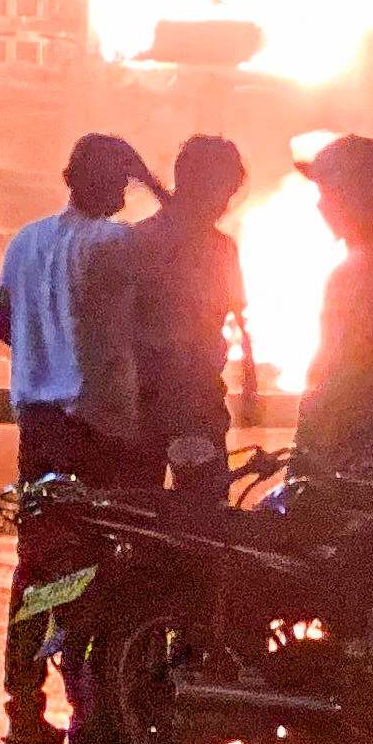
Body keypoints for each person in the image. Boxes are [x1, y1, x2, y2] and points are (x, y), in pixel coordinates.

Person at [0, 132, 163, 744]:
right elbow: (152, 322)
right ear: (109, 183)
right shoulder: (119, 245)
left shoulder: (25, 240)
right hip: (98, 432)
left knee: (37, 571)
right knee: (98, 573)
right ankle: (91, 719)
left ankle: (23, 709)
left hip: (37, 428)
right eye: (123, 182)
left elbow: (6, 327)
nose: (126, 195)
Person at [121, 134, 252, 503]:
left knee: (137, 509)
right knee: (203, 512)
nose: (225, 205)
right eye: (224, 192)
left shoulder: (139, 239)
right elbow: (230, 314)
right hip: (192, 403)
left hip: (142, 403)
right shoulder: (218, 248)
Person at [288, 134, 373, 478]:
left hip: (352, 446)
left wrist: (311, 441)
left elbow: (344, 367)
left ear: (354, 196)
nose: (320, 205)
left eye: (327, 193)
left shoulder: (367, 272)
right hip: (365, 442)